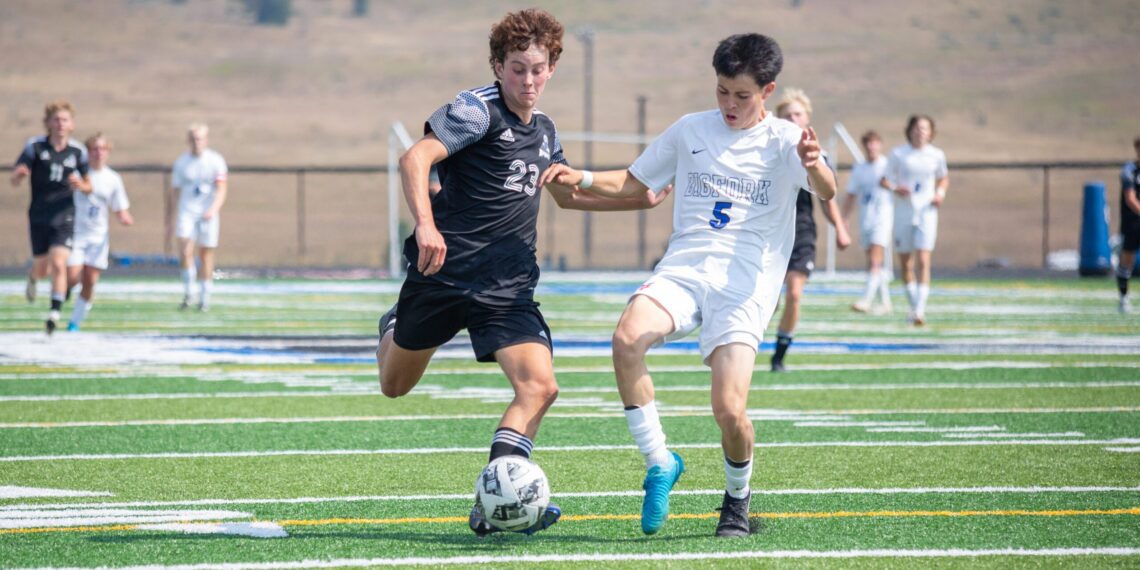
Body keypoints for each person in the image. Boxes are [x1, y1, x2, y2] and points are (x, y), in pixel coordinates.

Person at [374, 8, 669, 537]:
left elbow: (566, 196)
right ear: (497, 66)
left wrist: (638, 202)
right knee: (394, 386)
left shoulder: (546, 131)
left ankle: (492, 502)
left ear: (551, 67)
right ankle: (393, 326)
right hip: (443, 274)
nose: (527, 81)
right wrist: (426, 225)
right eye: (517, 69)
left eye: (537, 69)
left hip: (507, 286)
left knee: (540, 386)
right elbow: (414, 159)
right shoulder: (476, 111)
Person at [540, 33, 837, 537]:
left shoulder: (786, 140)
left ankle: (737, 500)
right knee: (626, 339)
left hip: (744, 288)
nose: (729, 104)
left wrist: (814, 164)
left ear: (768, 91)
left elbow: (828, 189)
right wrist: (582, 176)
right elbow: (636, 182)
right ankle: (660, 461)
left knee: (729, 410)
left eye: (742, 95)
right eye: (722, 91)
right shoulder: (690, 129)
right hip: (684, 269)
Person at [768, 88, 851, 372]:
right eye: (787, 115)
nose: (792, 119)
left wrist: (840, 229)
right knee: (768, 299)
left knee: (794, 293)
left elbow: (827, 198)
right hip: (769, 234)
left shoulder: (818, 156)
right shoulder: (769, 152)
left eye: (797, 114)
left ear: (807, 118)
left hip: (801, 233)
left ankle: (778, 356)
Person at [10, 100, 92, 335]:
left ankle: (54, 313)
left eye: (65, 120)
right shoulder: (35, 146)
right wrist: (19, 175)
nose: (60, 124)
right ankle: (32, 277)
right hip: (39, 215)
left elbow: (89, 186)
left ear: (72, 124)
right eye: (56, 120)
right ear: (47, 123)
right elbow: (15, 177)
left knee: (58, 262)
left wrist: (81, 185)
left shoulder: (78, 151)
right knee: (42, 268)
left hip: (64, 215)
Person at [880, 115, 948, 326]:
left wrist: (939, 194)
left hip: (926, 213)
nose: (920, 132)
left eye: (925, 128)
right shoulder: (899, 154)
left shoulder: (936, 155)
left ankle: (919, 310)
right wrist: (895, 188)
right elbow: (884, 180)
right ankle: (913, 306)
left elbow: (943, 178)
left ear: (931, 132)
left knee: (924, 260)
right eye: (917, 128)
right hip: (903, 213)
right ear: (909, 130)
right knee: (906, 263)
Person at [65, 133, 134, 331]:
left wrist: (124, 217)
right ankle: (66, 288)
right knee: (72, 276)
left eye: (102, 149)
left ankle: (75, 322)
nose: (98, 153)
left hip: (98, 237)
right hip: (75, 233)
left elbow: (119, 207)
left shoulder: (112, 178)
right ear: (88, 152)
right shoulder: (77, 174)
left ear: (108, 152)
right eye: (94, 149)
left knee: (90, 281)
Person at [170, 123, 228, 312]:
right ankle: (189, 292)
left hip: (208, 214)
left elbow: (222, 189)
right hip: (187, 212)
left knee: (206, 254)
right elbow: (175, 191)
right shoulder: (182, 163)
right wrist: (173, 215)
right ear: (188, 140)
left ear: (206, 140)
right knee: (185, 249)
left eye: (200, 138)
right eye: (194, 138)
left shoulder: (215, 161)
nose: (197, 142)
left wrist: (213, 209)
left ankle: (205, 298)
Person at [840, 130, 893, 314]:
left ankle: (866, 300)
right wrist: (844, 217)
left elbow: (899, 188)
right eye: (868, 143)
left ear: (880, 144)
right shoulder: (860, 169)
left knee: (875, 259)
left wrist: (890, 186)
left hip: (883, 218)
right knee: (872, 260)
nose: (872, 147)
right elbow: (851, 194)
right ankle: (885, 302)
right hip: (866, 218)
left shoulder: (888, 166)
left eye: (875, 142)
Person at [1117, 136, 1140, 313]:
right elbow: (1130, 198)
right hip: (1133, 221)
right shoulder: (1129, 171)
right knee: (1127, 258)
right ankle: (1123, 297)